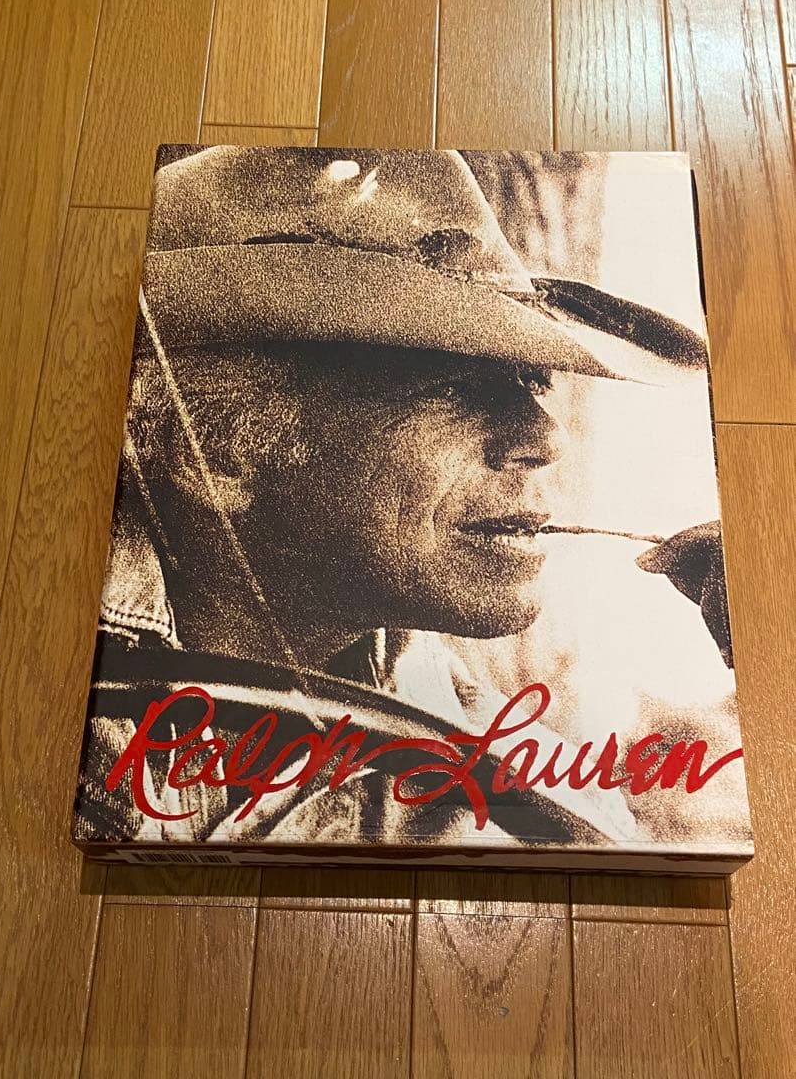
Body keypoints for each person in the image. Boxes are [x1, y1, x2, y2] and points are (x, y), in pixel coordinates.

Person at [75, 147, 749, 856]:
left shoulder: (508, 780)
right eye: (456, 385)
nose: (544, 438)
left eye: (532, 383)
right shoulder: (45, 685)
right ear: (213, 451)